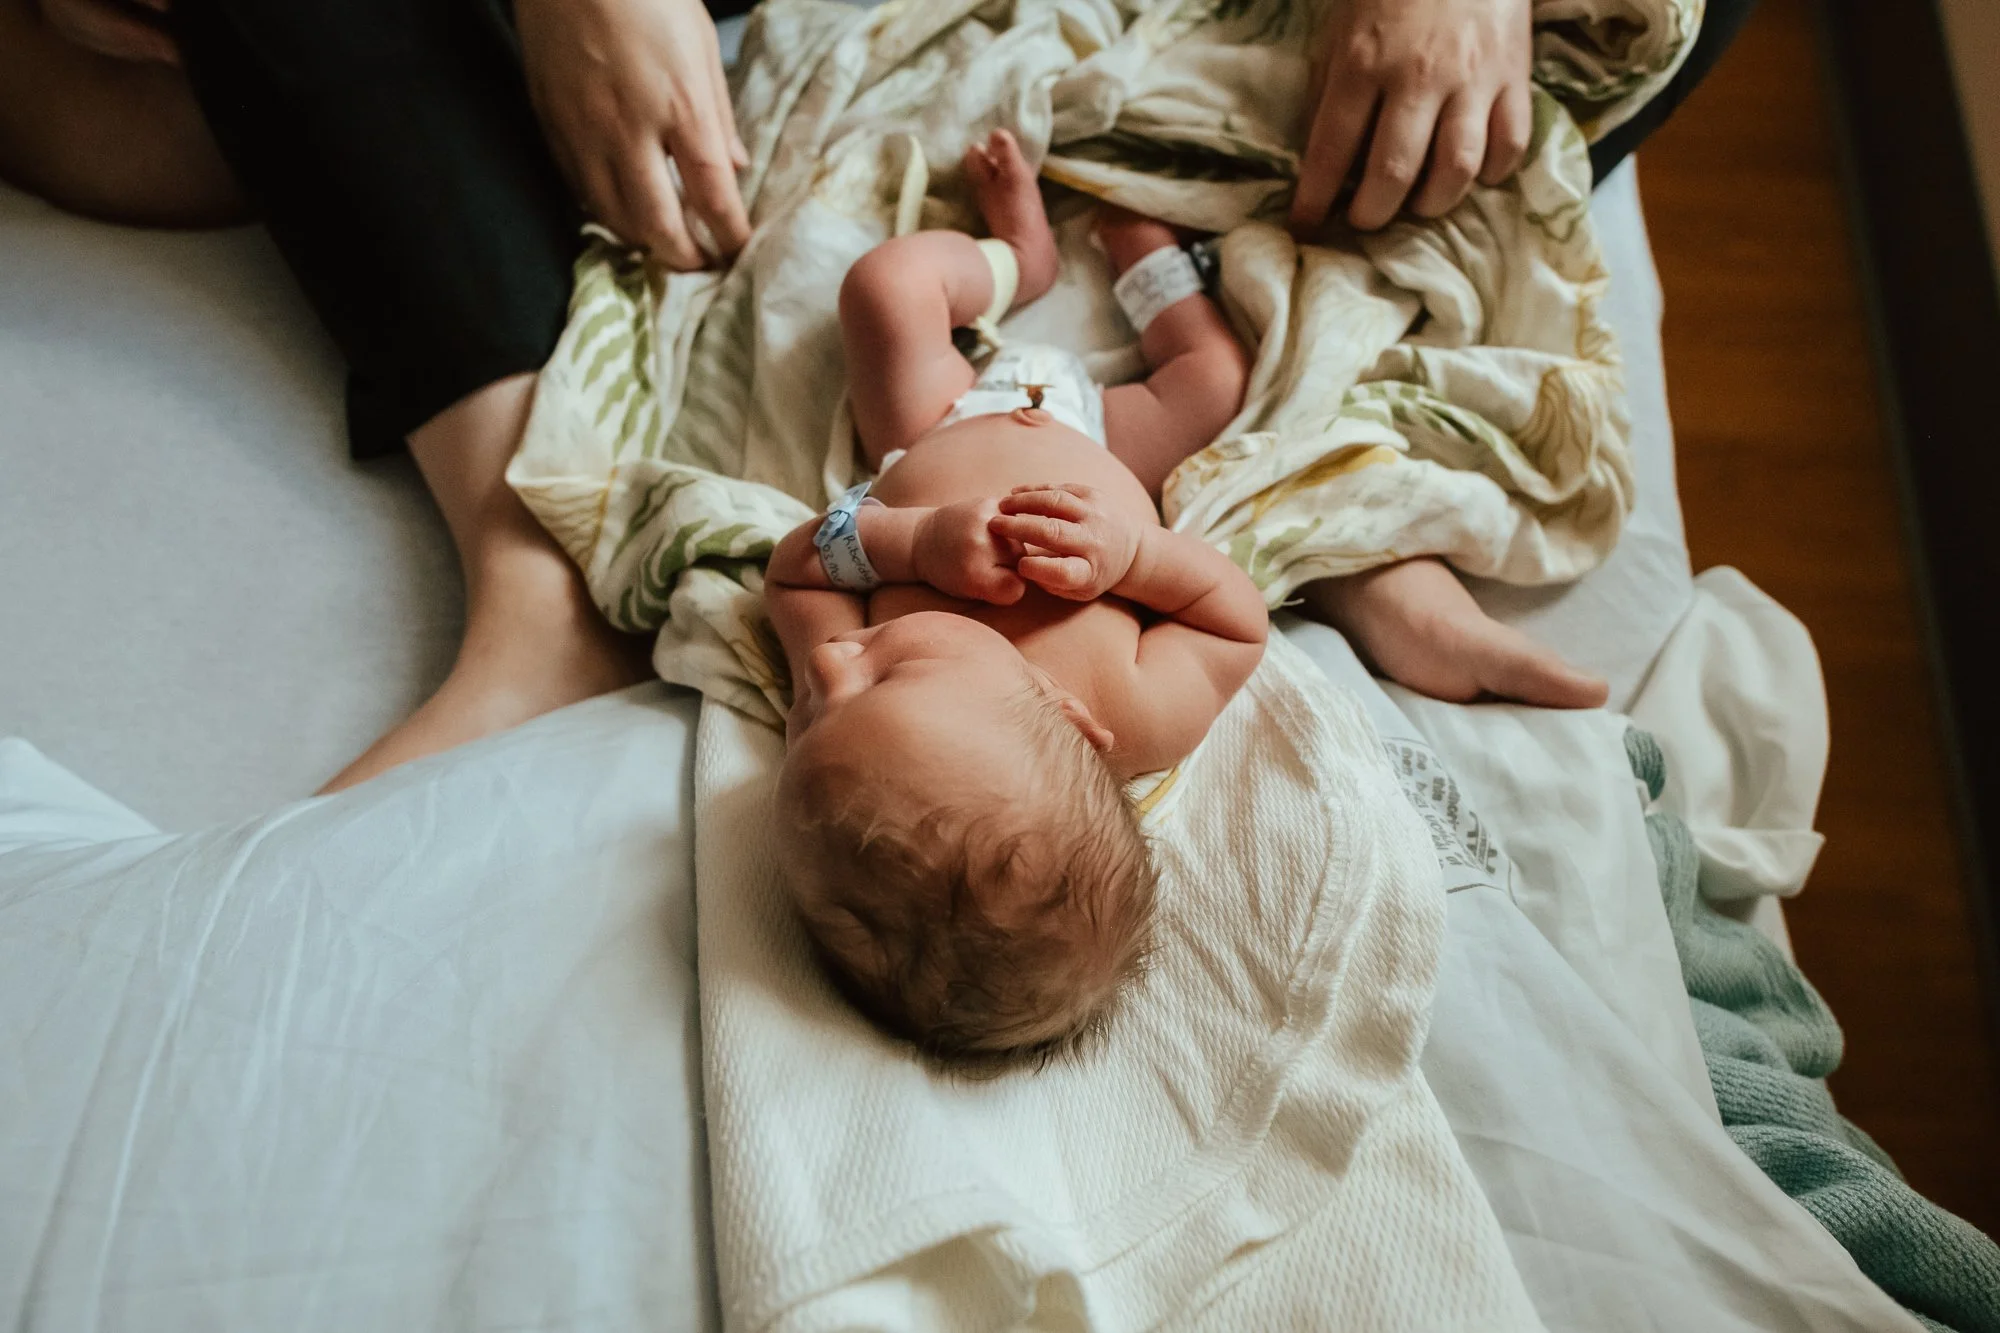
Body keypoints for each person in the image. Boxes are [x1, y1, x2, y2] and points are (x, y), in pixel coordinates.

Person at [0, 0, 1757, 787]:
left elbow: (815, 564)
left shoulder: (1016, 675)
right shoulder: (1110, 687)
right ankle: (531, 574)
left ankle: (1329, 496)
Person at [767, 132, 1267, 1063]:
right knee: (1216, 380)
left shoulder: (842, 698)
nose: (831, 664)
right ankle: (1140, 253)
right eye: (878, 680)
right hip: (1108, 443)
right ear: (1071, 717)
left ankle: (1017, 260)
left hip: (939, 418)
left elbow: (795, 566)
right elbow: (1236, 624)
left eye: (808, 716)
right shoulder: (1138, 709)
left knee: (883, 287)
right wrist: (1128, 558)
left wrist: (910, 539)